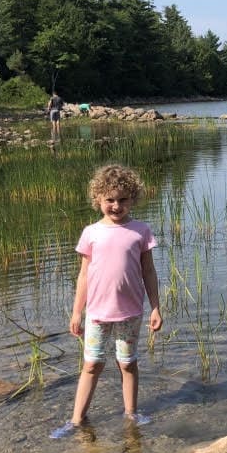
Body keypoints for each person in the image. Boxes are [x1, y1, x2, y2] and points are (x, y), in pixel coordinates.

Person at [51, 164, 163, 438]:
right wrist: (77, 312)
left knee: (127, 364)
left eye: (123, 199)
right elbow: (84, 276)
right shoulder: (91, 232)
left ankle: (131, 414)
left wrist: (156, 307)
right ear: (98, 199)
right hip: (97, 313)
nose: (116, 205)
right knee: (91, 365)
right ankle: (77, 420)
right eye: (109, 199)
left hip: (130, 312)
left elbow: (148, 271)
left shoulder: (141, 231)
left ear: (133, 199)